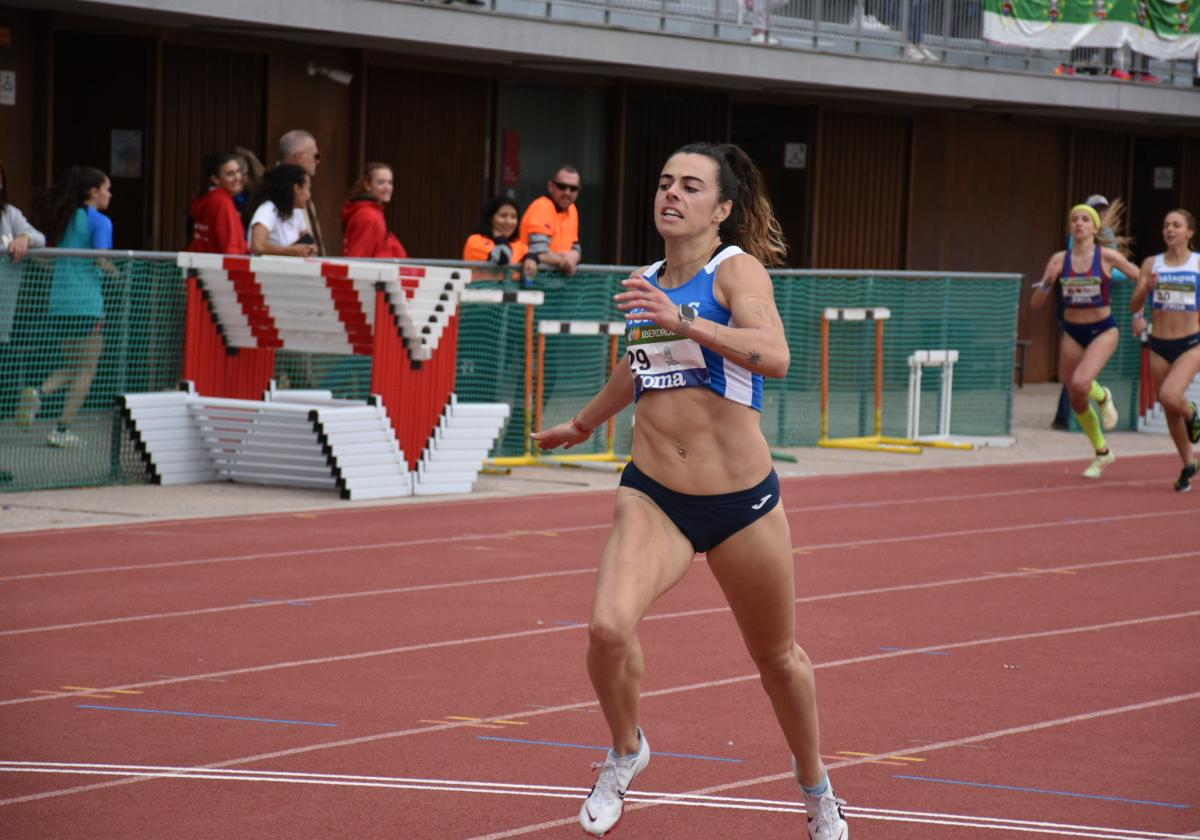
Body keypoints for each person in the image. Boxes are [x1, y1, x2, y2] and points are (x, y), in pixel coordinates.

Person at [532, 142, 849, 840]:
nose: (672, 194)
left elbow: (778, 355)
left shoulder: (734, 271)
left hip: (742, 505)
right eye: (665, 181)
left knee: (777, 661)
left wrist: (687, 321)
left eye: (692, 186)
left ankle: (816, 785)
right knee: (606, 629)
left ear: (723, 209)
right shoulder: (645, 278)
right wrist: (584, 424)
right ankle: (626, 749)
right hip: (656, 495)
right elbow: (641, 366)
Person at [1032, 202, 1141, 479]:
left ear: (1094, 228)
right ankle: (1102, 452)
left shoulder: (1107, 256)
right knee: (1076, 396)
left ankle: (1103, 395)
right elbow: (1035, 303)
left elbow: (1142, 278)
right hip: (1072, 331)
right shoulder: (1059, 260)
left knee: (1081, 382)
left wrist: (1139, 311)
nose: (1079, 223)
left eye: (1084, 219)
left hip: (1103, 330)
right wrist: (1047, 282)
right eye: (1074, 219)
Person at [19, 166, 114, 447]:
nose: (110, 195)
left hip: (59, 303)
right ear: (93, 192)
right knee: (86, 370)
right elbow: (101, 259)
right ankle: (61, 429)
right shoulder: (101, 222)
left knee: (73, 365)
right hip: (87, 304)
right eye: (107, 189)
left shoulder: (66, 219)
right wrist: (118, 274)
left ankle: (38, 392)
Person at [1130, 209, 1200, 491]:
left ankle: (1192, 411)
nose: (1169, 229)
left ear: (1189, 233)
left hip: (1191, 343)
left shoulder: (1197, 264)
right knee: (1169, 409)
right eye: (1166, 225)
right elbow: (1135, 305)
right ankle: (1188, 464)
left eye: (1176, 225)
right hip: (1159, 344)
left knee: (1171, 396)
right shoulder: (1151, 263)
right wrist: (1146, 288)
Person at [518, 165, 582, 281]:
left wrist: (572, 257)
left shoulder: (572, 210)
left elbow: (576, 247)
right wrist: (565, 261)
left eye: (573, 188)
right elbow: (539, 252)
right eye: (562, 187)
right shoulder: (541, 207)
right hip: (534, 282)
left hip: (559, 284)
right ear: (551, 186)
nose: (567, 192)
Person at [247, 164, 317, 257]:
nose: (309, 195)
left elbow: (306, 235)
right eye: (308, 189)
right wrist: (291, 251)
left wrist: (309, 248)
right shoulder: (268, 209)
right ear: (296, 188)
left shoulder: (296, 211)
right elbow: (257, 245)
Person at [341, 162, 408, 259]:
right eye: (381, 182)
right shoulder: (369, 216)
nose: (387, 187)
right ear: (367, 185)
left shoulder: (371, 212)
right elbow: (358, 257)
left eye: (390, 182)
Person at [187, 153, 248, 255]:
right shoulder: (222, 202)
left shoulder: (209, 199)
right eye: (230, 174)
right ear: (215, 179)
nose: (237, 177)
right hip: (220, 268)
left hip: (202, 265)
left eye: (238, 171)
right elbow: (230, 246)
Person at [278, 129, 325, 255]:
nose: (318, 161)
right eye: (316, 156)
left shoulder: (302, 185)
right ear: (299, 157)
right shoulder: (275, 188)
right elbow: (260, 243)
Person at [462, 194, 527, 266]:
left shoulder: (520, 245)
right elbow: (502, 259)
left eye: (513, 217)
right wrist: (500, 238)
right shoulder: (475, 241)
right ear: (491, 218)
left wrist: (532, 258)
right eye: (503, 215)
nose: (509, 221)